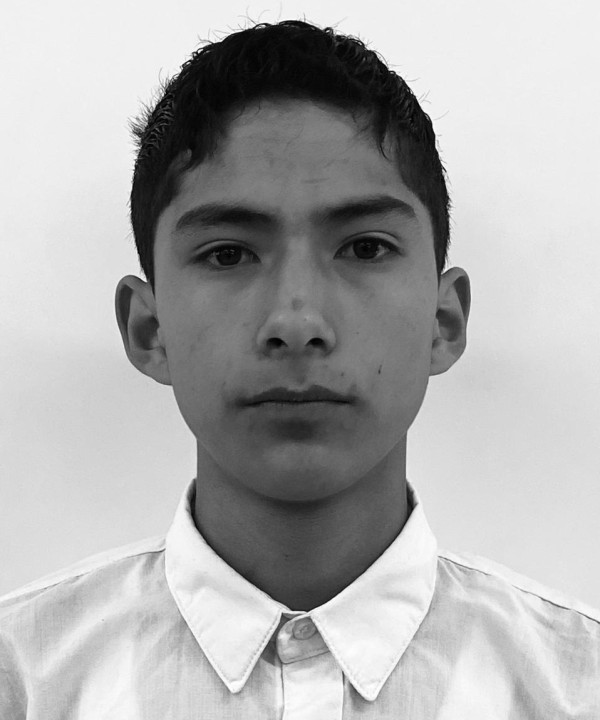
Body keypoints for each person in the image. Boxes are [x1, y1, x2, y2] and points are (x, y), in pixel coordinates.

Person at [1, 18, 598, 719]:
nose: (296, 321)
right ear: (149, 328)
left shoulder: (576, 689)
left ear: (444, 320)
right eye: (228, 254)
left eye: (365, 248)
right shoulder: (25, 681)